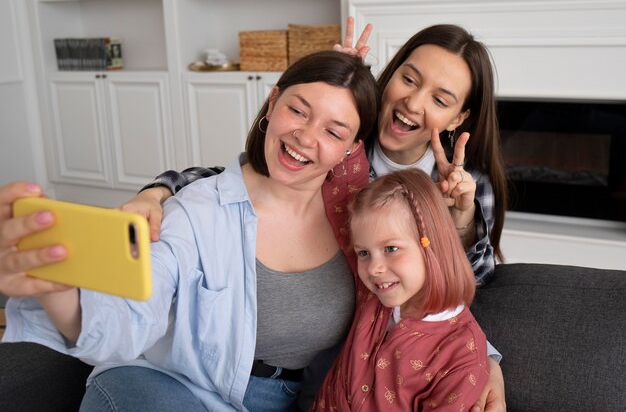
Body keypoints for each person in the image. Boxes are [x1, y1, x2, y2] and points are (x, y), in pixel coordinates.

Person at [120, 20, 507, 411]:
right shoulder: (342, 149)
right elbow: (247, 178)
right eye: (409, 79)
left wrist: (482, 358)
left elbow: (463, 289)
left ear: (459, 118)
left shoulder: (466, 184)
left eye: (440, 101)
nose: (414, 103)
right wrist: (159, 190)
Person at [0, 50, 380, 412]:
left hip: (290, 397)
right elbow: (133, 311)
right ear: (273, 101)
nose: (306, 136)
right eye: (298, 111)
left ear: (350, 149)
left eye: (333, 132)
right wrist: (60, 288)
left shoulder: (356, 220)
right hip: (174, 386)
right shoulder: (197, 208)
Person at [312, 168, 490, 411]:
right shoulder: (373, 295)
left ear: (432, 245)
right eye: (364, 253)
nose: (374, 268)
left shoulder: (462, 354)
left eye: (391, 249)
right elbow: (342, 183)